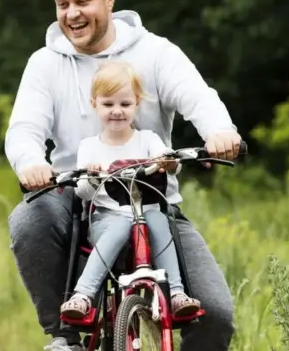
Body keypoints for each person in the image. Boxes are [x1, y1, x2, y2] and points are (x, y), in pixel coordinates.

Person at [4, 0, 242, 351]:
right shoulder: (45, 65)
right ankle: (67, 344)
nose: (72, 13)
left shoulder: (155, 53)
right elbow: (23, 130)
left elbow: (199, 98)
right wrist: (30, 162)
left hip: (152, 204)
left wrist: (219, 131)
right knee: (28, 219)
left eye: (83, 1)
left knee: (217, 314)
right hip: (79, 200)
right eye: (62, 3)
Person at [60, 60, 201, 320]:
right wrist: (91, 176)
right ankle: (83, 294)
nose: (117, 111)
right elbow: (82, 192)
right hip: (107, 216)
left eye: (125, 104)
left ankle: (176, 294)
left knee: (159, 222)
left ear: (137, 103)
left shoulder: (148, 140)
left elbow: (168, 162)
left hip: (147, 211)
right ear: (94, 104)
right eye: (108, 104)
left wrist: (168, 162)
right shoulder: (90, 147)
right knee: (118, 227)